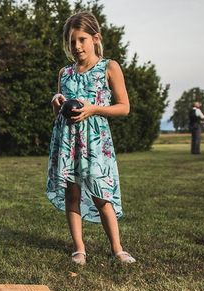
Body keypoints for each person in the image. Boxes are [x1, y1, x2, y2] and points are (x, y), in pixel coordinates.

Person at [47, 11, 135, 265]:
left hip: (96, 142)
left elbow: (124, 107)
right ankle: (79, 248)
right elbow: (60, 111)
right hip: (68, 141)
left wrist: (93, 108)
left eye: (82, 39)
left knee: (101, 195)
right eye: (72, 41)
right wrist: (56, 101)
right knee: (71, 194)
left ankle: (117, 248)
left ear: (96, 38)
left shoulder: (109, 67)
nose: (76, 46)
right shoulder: (65, 73)